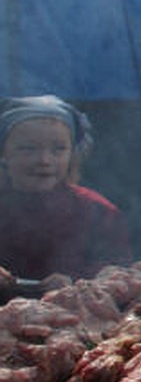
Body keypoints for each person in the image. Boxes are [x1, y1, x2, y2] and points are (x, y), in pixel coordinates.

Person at [0, 95, 132, 280]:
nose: (44, 160)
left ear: (72, 154)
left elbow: (120, 276)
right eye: (29, 148)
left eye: (58, 149)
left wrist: (76, 281)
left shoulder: (99, 212)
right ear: (3, 153)